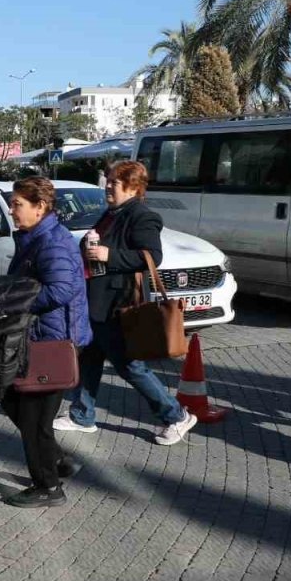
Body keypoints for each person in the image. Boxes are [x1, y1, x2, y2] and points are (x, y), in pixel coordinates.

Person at [55, 161, 197, 445]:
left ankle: (176, 416)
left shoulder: (142, 216)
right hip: (97, 300)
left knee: (130, 366)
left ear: (133, 187)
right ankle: (82, 415)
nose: (107, 186)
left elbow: (151, 256)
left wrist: (110, 255)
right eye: (107, 180)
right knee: (89, 358)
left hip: (117, 304)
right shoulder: (111, 213)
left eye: (114, 183)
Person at [0, 176, 92, 508]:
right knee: (11, 399)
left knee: (33, 418)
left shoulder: (51, 241)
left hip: (52, 343)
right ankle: (58, 460)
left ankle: (48, 487)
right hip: (43, 337)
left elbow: (60, 290)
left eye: (17, 204)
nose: (12, 210)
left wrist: (16, 300)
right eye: (12, 204)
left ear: (40, 207)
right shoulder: (36, 236)